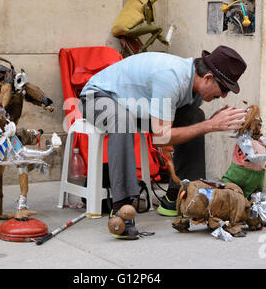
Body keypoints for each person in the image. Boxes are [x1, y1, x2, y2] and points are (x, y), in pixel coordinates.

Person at [80, 45, 247, 240]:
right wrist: (210, 125)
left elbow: (174, 126)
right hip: (97, 96)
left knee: (195, 117)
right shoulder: (171, 78)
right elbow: (161, 138)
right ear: (208, 77)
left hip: (135, 106)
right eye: (224, 88)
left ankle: (182, 196)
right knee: (123, 121)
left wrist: (207, 123)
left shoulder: (195, 87)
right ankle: (122, 208)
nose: (225, 95)